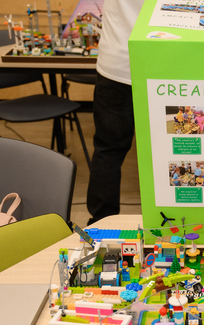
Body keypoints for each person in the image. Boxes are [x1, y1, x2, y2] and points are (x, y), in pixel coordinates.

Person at [86, 0, 147, 224]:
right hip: (162, 66)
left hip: (115, 64)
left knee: (108, 150)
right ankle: (175, 222)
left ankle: (100, 223)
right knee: (172, 148)